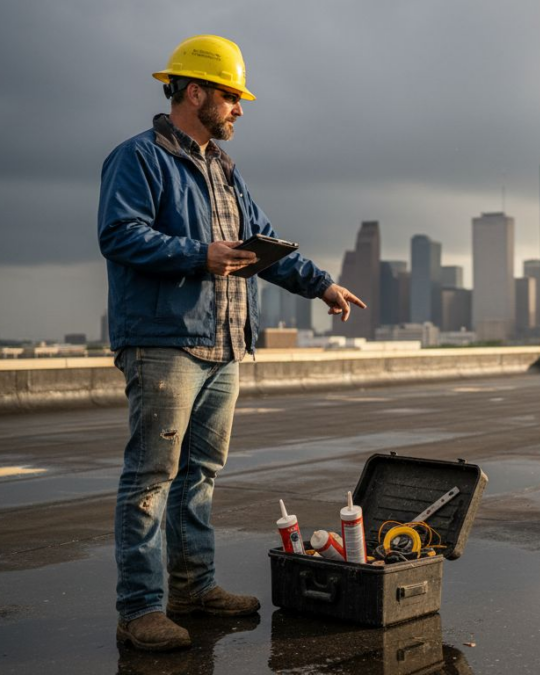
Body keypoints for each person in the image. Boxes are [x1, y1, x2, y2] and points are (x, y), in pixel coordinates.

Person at [98, 34, 365, 651]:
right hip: (164, 343)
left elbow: (261, 242)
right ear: (196, 92)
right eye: (230, 96)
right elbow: (120, 234)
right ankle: (140, 611)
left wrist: (321, 285)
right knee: (150, 479)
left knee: (199, 475)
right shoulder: (137, 159)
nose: (239, 108)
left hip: (223, 344)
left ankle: (194, 589)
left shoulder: (223, 170)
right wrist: (200, 254)